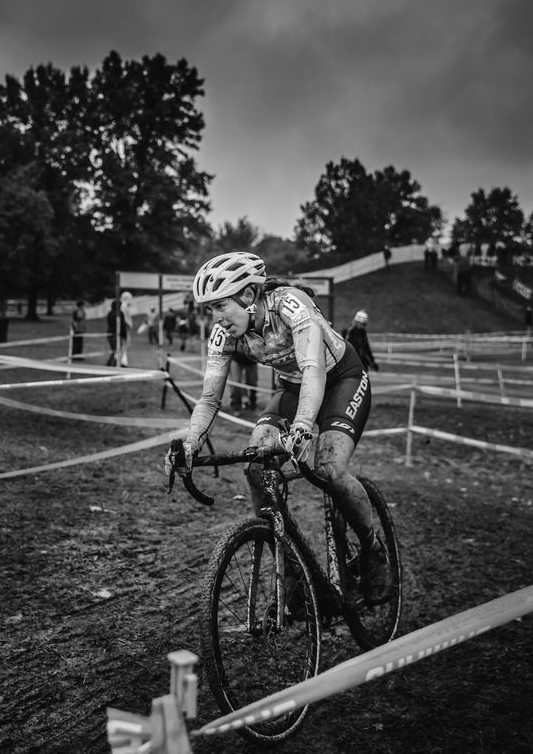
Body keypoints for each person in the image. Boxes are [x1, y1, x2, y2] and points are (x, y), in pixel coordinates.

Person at [164, 251, 393, 604]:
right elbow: (210, 399)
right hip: (291, 388)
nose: (217, 318)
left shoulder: (290, 305)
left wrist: (302, 426)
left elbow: (314, 369)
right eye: (210, 309)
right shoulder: (224, 335)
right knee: (257, 468)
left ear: (248, 295)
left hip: (339, 379)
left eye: (221, 306)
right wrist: (192, 441)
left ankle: (373, 549)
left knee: (329, 469)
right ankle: (290, 569)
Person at [105, 299, 128, 366]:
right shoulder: (119, 313)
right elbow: (122, 325)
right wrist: (124, 335)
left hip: (110, 333)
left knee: (114, 350)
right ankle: (112, 364)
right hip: (116, 334)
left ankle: (110, 364)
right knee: (116, 350)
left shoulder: (110, 312)